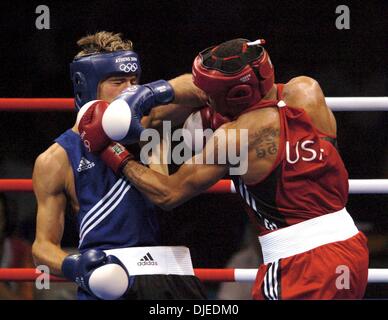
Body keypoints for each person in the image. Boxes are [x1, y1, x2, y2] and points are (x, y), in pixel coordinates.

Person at [78, 37, 369, 299]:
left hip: (300, 264)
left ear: (237, 94)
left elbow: (168, 194)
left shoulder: (233, 137)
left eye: (209, 93)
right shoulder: (307, 90)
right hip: (351, 249)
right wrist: (152, 92)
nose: (203, 96)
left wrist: (109, 149)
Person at [32, 31, 208, 300]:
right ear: (86, 86)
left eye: (134, 81)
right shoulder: (56, 158)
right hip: (108, 278)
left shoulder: (150, 125)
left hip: (170, 275)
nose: (130, 89)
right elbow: (42, 247)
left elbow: (203, 89)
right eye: (118, 81)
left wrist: (150, 93)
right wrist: (76, 266)